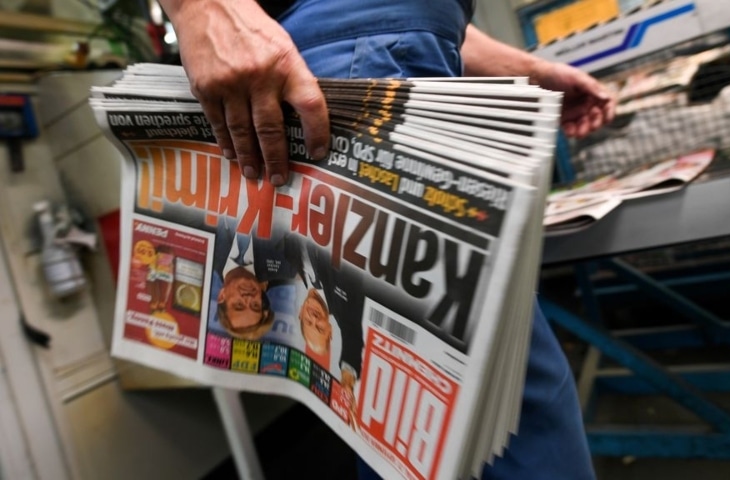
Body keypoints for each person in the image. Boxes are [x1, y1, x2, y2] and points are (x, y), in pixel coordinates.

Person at [159, 1, 615, 478]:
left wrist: (527, 69)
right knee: (501, 410)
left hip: (401, 50)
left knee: (413, 417)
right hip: (358, 60)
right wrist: (200, 8)